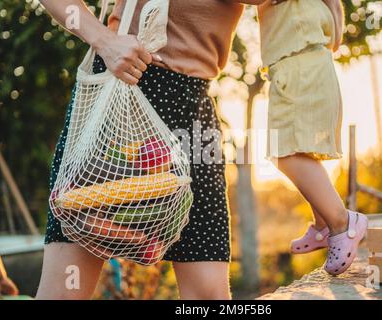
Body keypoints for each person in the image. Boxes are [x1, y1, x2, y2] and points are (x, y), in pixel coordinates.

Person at [36, 0, 277, 300]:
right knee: (64, 291)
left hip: (193, 109)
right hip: (122, 92)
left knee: (209, 295)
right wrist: (104, 40)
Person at [258, 0, 368, 275]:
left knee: (286, 154)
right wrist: (335, 30)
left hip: (298, 65)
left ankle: (342, 223)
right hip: (309, 61)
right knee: (302, 151)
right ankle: (323, 225)